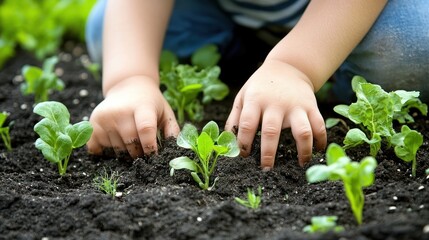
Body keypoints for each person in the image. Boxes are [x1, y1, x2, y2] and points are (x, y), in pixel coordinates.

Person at [85, 0, 429, 171]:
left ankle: (324, 72)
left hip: (348, 14)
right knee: (107, 29)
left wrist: (297, 67)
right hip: (228, 13)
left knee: (415, 46)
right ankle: (257, 64)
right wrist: (130, 79)